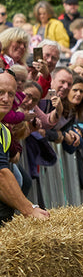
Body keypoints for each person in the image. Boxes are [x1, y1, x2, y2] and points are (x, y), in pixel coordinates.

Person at [0, 69, 50, 223]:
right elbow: (1, 175)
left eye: (11, 94)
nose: (6, 99)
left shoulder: (4, 131)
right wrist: (29, 210)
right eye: (0, 92)